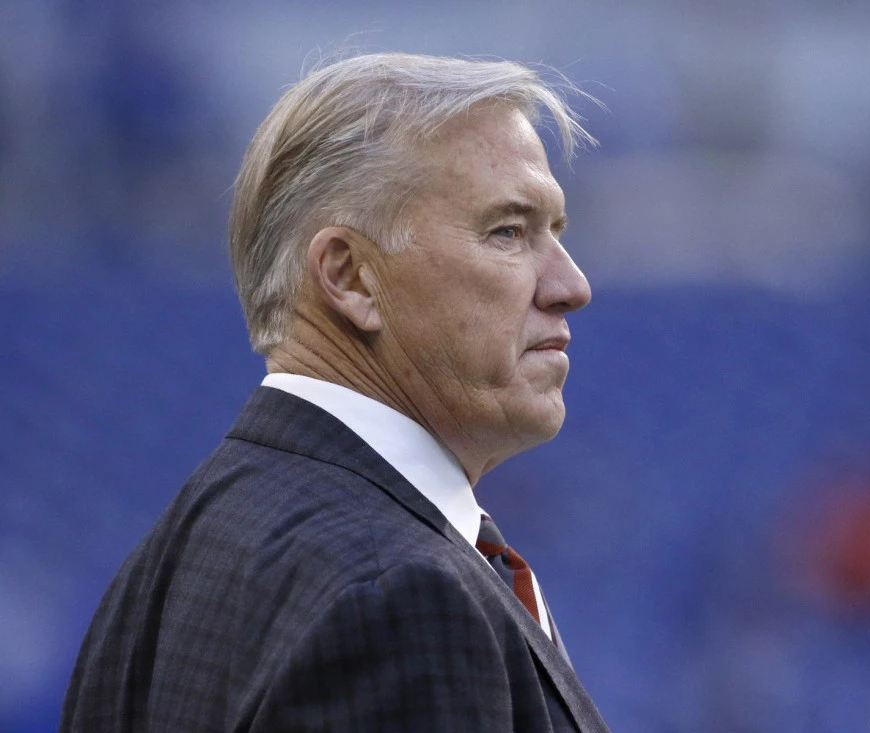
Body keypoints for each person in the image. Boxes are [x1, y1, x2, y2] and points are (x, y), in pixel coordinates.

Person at [61, 53, 610, 732]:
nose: (572, 285)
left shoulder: (161, 572)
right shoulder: (401, 596)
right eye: (508, 232)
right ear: (349, 277)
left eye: (555, 232)